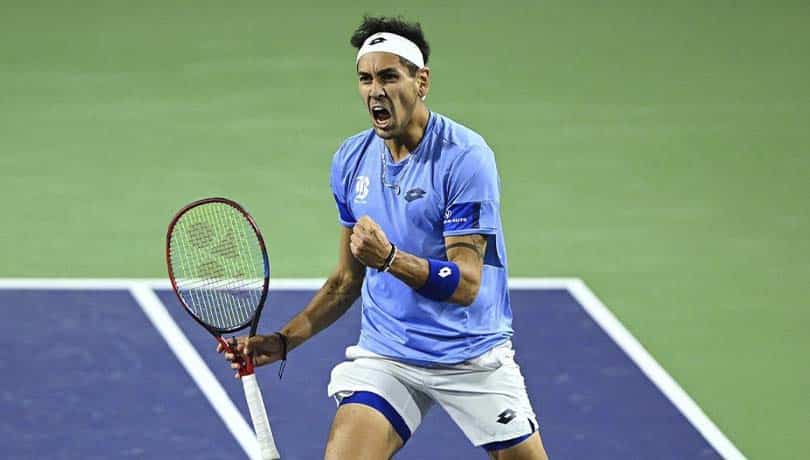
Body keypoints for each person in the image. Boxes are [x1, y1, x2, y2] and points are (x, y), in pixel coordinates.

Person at [219, 15, 549, 460]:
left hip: (471, 357)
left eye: (389, 76)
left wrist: (391, 259)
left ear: (421, 81)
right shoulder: (351, 160)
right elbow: (344, 282)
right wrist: (282, 342)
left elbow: (467, 284)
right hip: (389, 355)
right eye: (365, 78)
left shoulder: (464, 159)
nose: (375, 90)